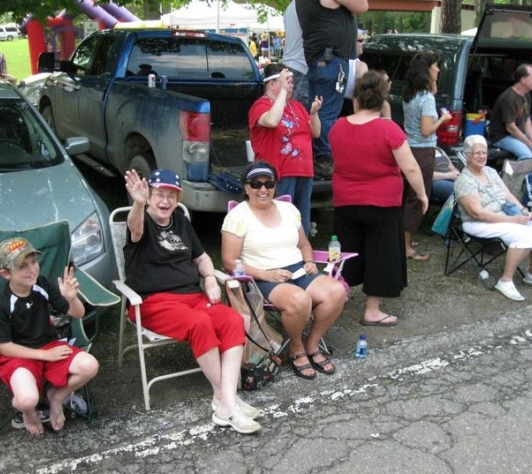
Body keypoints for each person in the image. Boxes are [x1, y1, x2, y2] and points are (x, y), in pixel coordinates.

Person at [123, 168, 261, 434]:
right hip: (154, 303)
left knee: (232, 319)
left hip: (192, 297)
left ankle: (225, 402)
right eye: (158, 194)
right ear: (149, 195)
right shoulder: (142, 222)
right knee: (200, 323)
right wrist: (138, 203)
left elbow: (201, 258)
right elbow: (135, 228)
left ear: (178, 198)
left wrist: (209, 277)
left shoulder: (181, 222)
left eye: (171, 196)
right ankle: (228, 403)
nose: (165, 201)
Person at [221, 161, 346, 380]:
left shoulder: (288, 209)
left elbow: (304, 244)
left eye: (269, 183)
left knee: (336, 292)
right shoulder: (237, 216)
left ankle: (312, 344)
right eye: (256, 184)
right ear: (246, 187)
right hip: (261, 276)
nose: (263, 189)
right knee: (299, 301)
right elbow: (230, 262)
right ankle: (296, 349)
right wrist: (265, 274)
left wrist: (308, 260)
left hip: (298, 270)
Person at [329, 71, 428, 326]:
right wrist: (422, 194)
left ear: (357, 97)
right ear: (384, 98)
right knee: (380, 253)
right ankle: (372, 310)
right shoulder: (388, 129)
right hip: (382, 202)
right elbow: (411, 168)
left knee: (346, 251)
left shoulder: (338, 126)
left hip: (345, 200)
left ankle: (339, 294)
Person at [0, 238, 99, 435]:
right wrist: (46, 356)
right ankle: (28, 413)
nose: (32, 270)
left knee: (90, 365)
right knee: (28, 400)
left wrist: (71, 298)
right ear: (6, 274)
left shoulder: (42, 285)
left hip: (49, 345)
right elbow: (4, 347)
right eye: (22, 266)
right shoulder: (3, 301)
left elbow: (77, 313)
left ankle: (56, 398)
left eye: (33, 262)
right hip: (17, 357)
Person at [454, 134, 532, 302]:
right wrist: (513, 220)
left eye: (484, 152)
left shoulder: (490, 171)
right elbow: (477, 214)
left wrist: (523, 211)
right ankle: (505, 281)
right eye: (477, 153)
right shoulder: (464, 180)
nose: (482, 156)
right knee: (526, 235)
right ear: (467, 155)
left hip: (502, 216)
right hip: (477, 223)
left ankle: (530, 274)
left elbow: (509, 196)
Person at [249, 63, 323, 237]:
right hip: (279, 173)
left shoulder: (296, 106)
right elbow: (272, 121)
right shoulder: (260, 106)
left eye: (290, 82)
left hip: (304, 172)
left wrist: (313, 114)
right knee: (281, 221)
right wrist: (282, 92)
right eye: (286, 81)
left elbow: (316, 133)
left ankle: (303, 258)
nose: (291, 85)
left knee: (301, 222)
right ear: (272, 83)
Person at [296, 0, 369, 162]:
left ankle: (317, 155)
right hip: (331, 59)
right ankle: (324, 157)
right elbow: (362, 5)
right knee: (327, 111)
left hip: (321, 59)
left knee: (317, 110)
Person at [402, 52, 453, 260]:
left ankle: (405, 238)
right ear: (427, 70)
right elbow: (426, 130)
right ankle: (407, 248)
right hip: (423, 151)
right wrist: (443, 119)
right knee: (417, 198)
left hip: (407, 148)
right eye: (435, 66)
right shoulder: (427, 99)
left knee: (406, 195)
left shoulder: (412, 93)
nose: (438, 69)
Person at [488, 63, 532, 161]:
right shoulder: (509, 98)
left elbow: (527, 120)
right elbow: (510, 128)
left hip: (516, 135)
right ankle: (518, 176)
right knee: (528, 156)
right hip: (502, 137)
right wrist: (529, 144)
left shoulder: (526, 95)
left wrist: (531, 139)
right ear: (523, 80)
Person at [282, 0, 309, 106]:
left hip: (290, 63)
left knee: (290, 109)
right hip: (301, 65)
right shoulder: (307, 5)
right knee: (300, 111)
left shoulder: (290, 7)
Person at [342, 29, 368, 115]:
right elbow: (362, 93)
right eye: (361, 40)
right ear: (351, 42)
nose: (363, 43)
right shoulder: (360, 66)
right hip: (352, 111)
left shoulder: (335, 62)